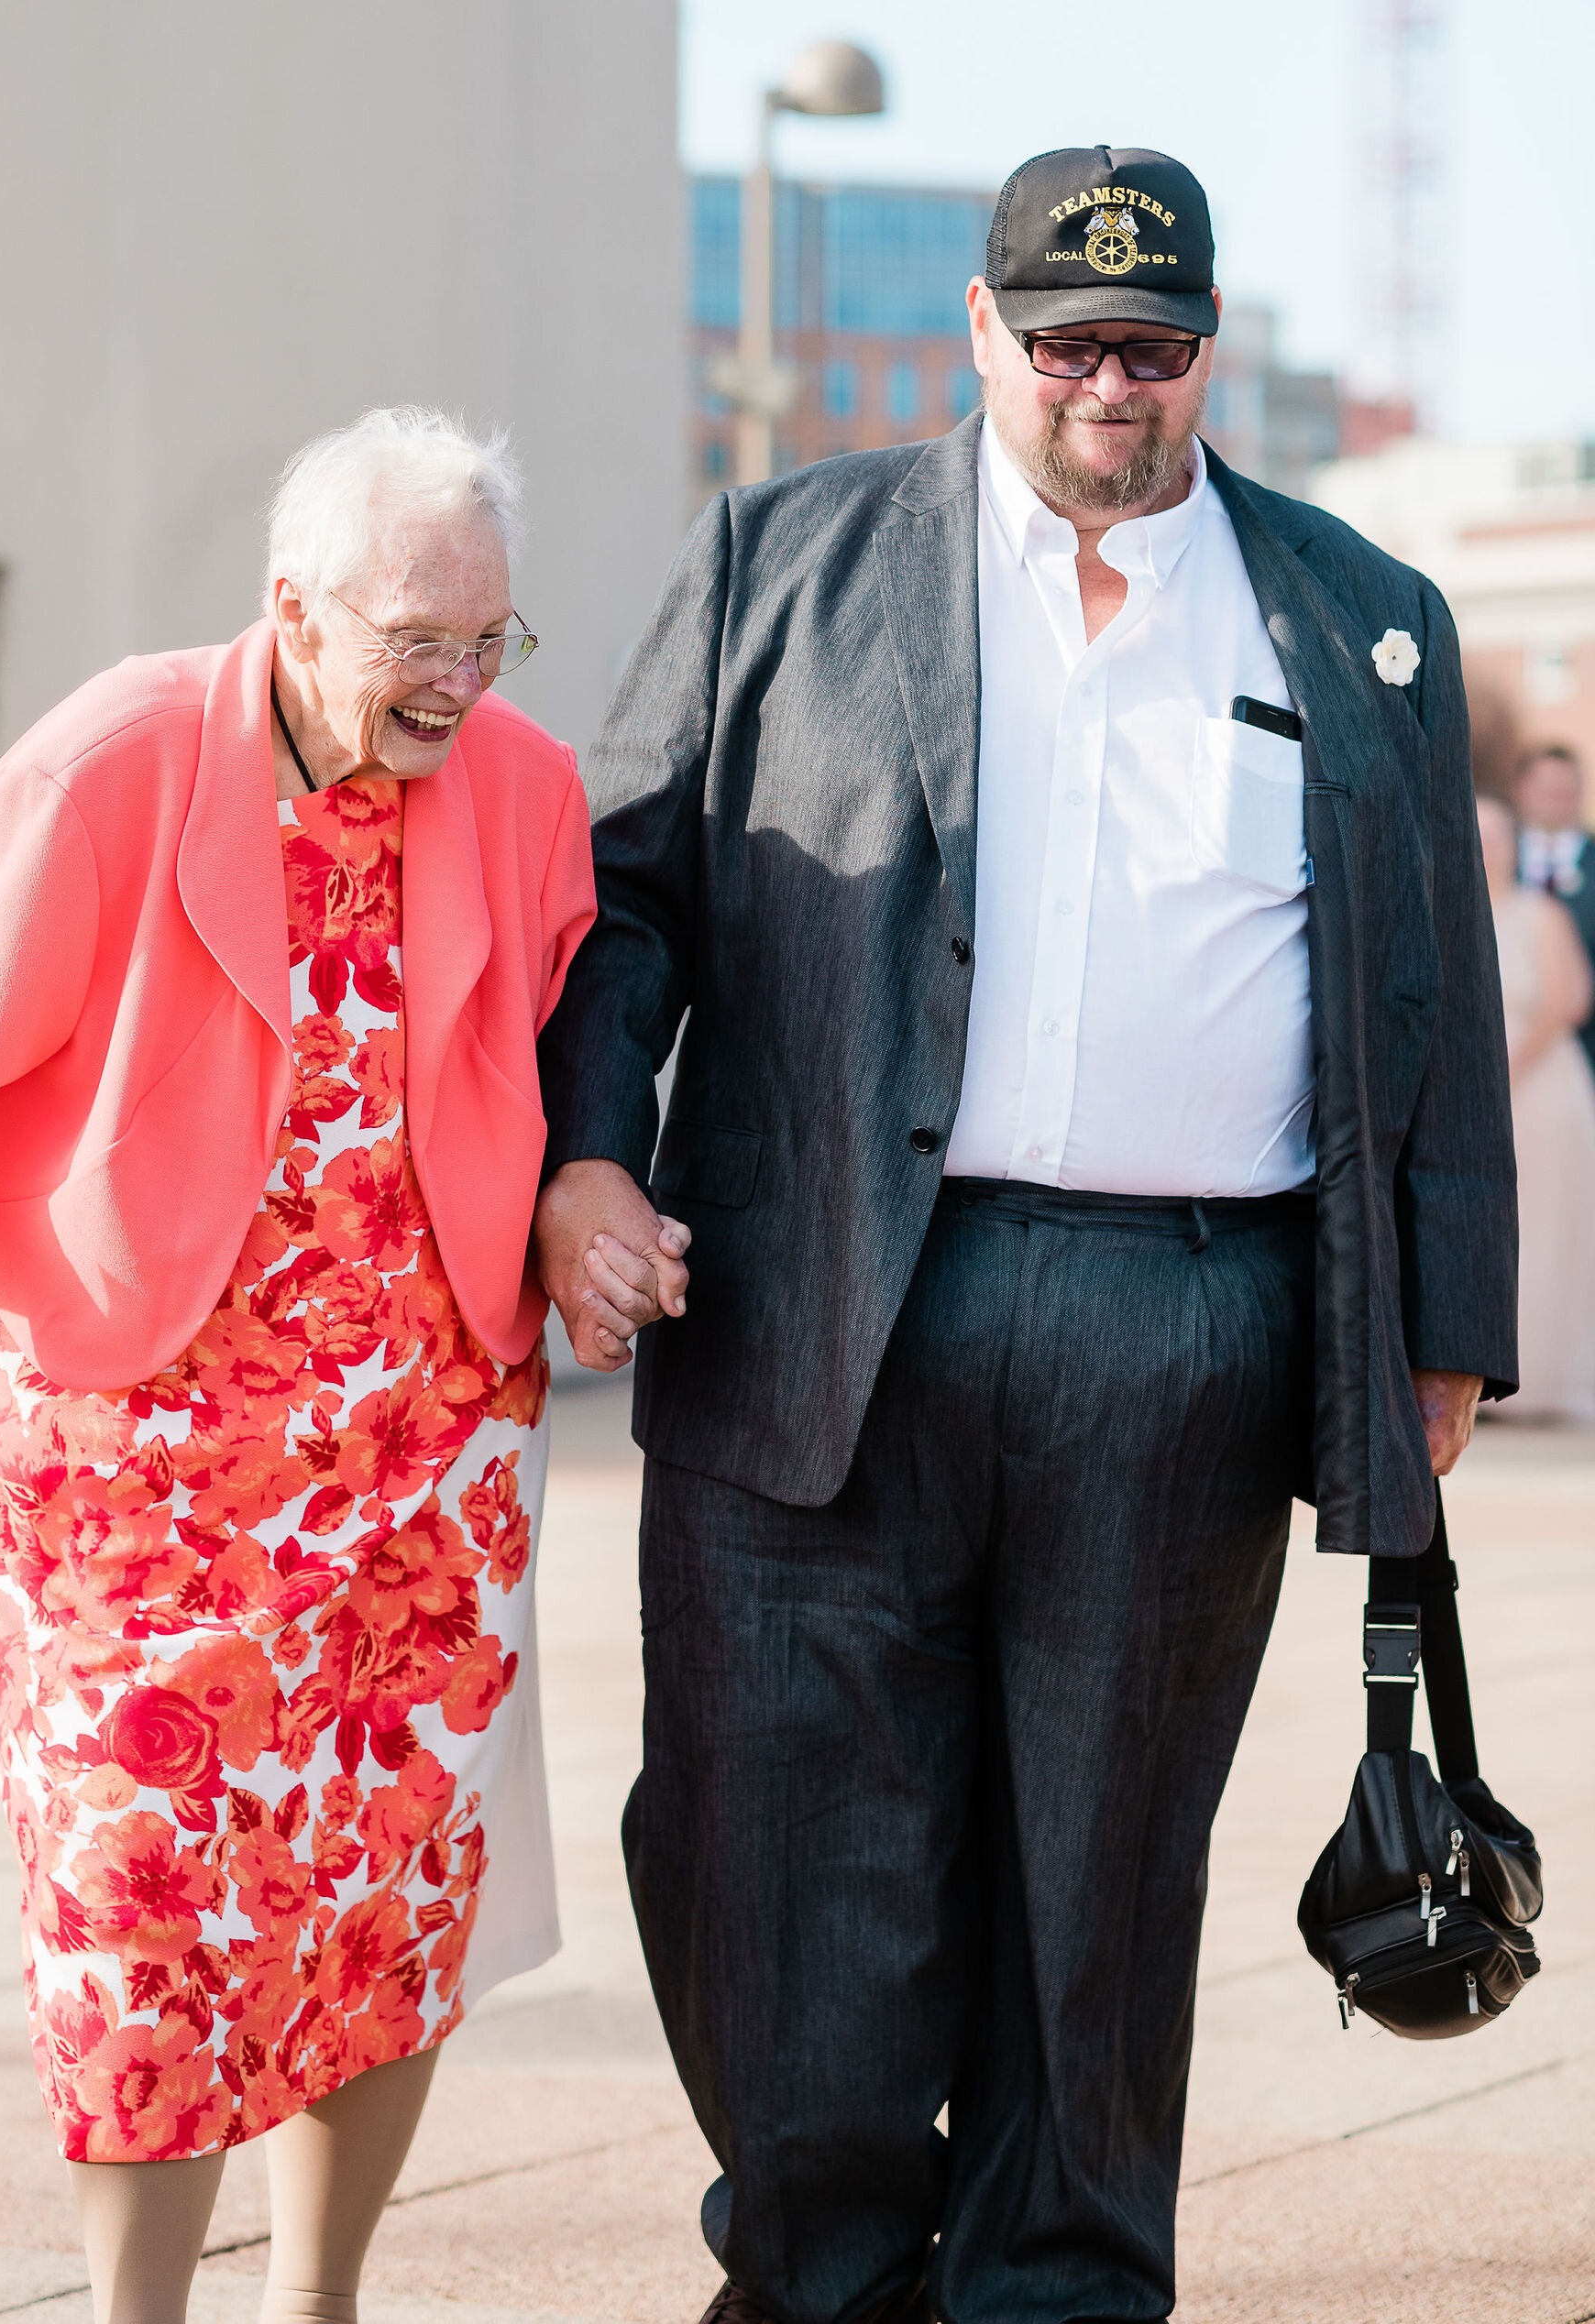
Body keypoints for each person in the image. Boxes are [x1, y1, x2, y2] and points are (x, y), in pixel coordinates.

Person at [532, 146, 1518, 2324]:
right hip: (809, 1313)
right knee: (785, 1877)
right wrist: (582, 1156)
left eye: (1151, 345)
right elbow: (619, 898)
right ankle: (815, 2274)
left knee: (1095, 1894)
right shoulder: (775, 555)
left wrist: (1439, 1322)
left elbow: (1424, 974)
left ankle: (1059, 2285)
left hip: (1184, 1328)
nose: (1107, 382)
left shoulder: (1358, 614)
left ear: (1205, 355)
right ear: (976, 336)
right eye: (1063, 341)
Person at [0, 408, 681, 2324]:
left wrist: (569, 1213)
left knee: (376, 1904)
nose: (457, 683)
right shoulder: (123, 756)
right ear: (291, 611)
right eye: (413, 640)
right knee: (144, 1911)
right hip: (132, 1454)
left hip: (419, 1444)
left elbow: (547, 1065)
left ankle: (320, 2302)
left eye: (487, 641)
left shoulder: (521, 789)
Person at [1478, 792, 1595, 1422]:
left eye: (1500, 834)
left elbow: (1567, 1001)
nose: (1490, 846)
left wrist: (1506, 1068)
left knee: (1550, 1230)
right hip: (1483, 1097)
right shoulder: (1450, 913)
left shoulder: (1540, 912)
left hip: (1543, 1090)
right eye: (1479, 833)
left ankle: (1547, 1383)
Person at [1512, 741, 1595, 1080]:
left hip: (1586, 1050)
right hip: (1508, 1043)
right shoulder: (1493, 860)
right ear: (1522, 790)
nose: (1556, 796)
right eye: (1546, 787)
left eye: (1566, 788)